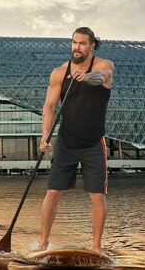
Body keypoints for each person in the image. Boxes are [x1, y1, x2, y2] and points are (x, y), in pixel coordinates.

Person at [37, 26, 114, 253]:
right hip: (66, 142)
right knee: (52, 192)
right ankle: (43, 243)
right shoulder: (59, 72)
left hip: (93, 142)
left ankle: (97, 248)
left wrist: (86, 76)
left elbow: (103, 77)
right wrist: (45, 136)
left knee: (97, 195)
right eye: (74, 42)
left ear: (92, 45)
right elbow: (49, 107)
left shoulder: (103, 65)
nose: (76, 47)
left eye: (82, 43)